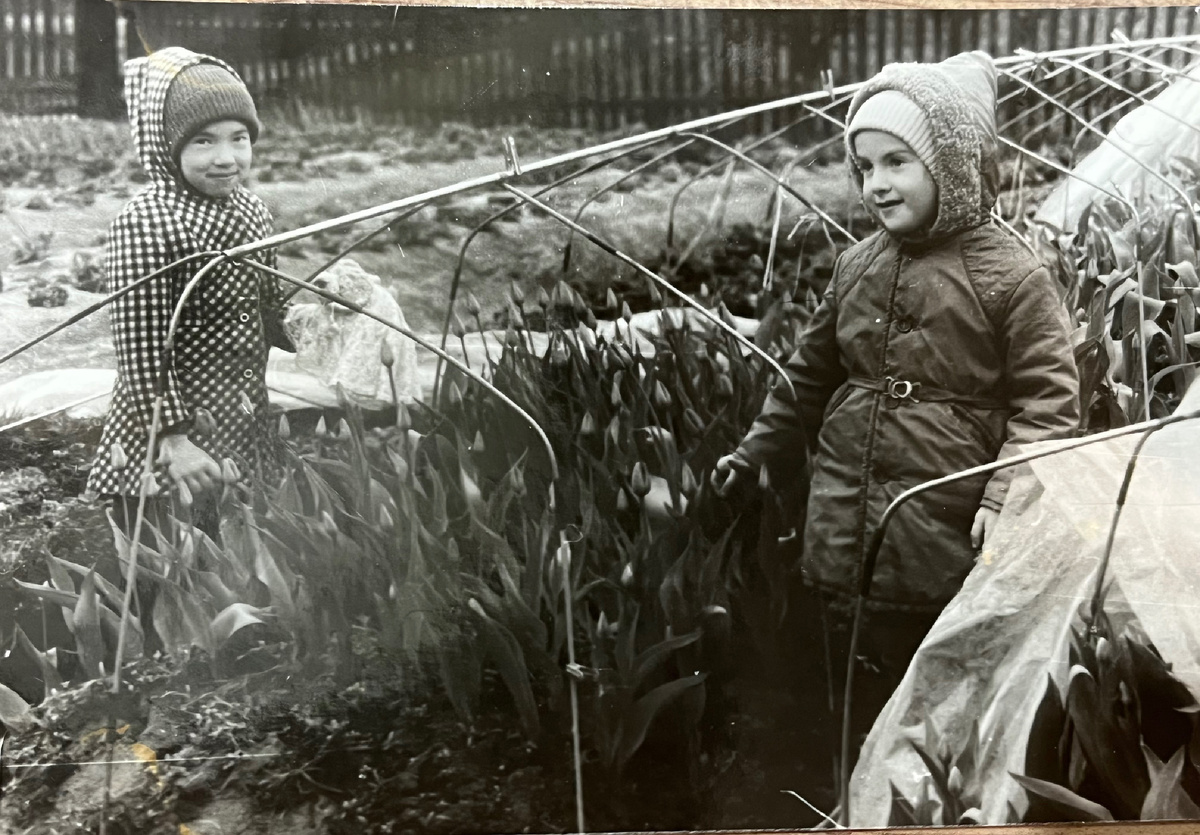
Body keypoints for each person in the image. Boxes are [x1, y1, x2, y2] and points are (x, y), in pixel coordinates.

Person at [712, 52, 1080, 688]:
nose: (875, 184)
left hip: (947, 514)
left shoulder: (1012, 276)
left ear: (952, 167)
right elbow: (807, 379)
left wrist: (1004, 495)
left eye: (897, 162)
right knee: (855, 667)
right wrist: (755, 455)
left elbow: (1047, 405)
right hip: (848, 509)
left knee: (938, 672)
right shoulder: (857, 265)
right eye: (864, 166)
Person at [86, 47, 293, 539]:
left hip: (241, 416)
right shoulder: (147, 221)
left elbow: (269, 306)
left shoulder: (252, 211)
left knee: (236, 552)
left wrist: (315, 319)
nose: (226, 158)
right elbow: (140, 350)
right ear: (167, 146)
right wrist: (173, 438)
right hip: (168, 439)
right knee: (168, 558)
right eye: (203, 141)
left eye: (239, 138)